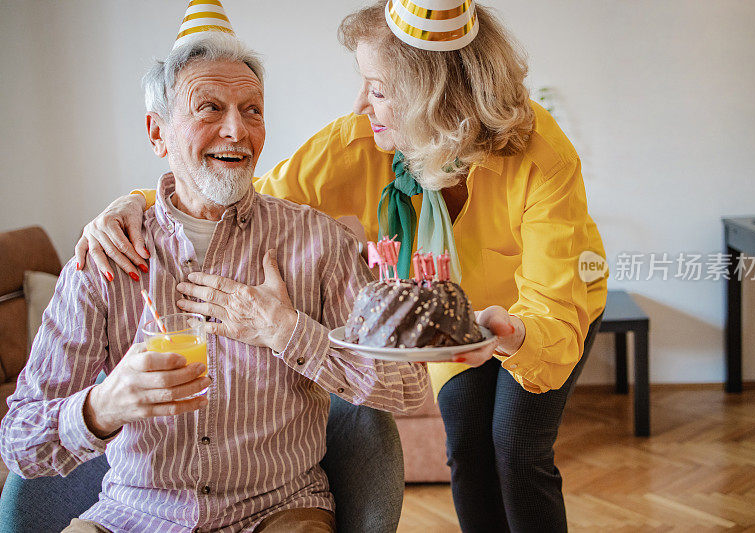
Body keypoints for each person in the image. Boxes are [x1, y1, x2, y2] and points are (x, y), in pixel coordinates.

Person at [75, 2, 608, 531]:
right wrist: (141, 201)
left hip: (541, 322)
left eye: (378, 89)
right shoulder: (357, 144)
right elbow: (247, 195)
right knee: (468, 450)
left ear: (432, 95)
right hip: (450, 324)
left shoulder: (541, 155)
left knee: (517, 451)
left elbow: (553, 312)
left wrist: (513, 334)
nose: (362, 104)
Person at [0, 25, 430, 533]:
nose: (237, 130)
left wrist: (287, 331)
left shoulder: (318, 244)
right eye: (209, 108)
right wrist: (102, 405)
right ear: (157, 133)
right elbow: (20, 444)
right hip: (135, 515)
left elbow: (407, 386)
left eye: (252, 110)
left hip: (280, 509)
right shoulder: (104, 259)